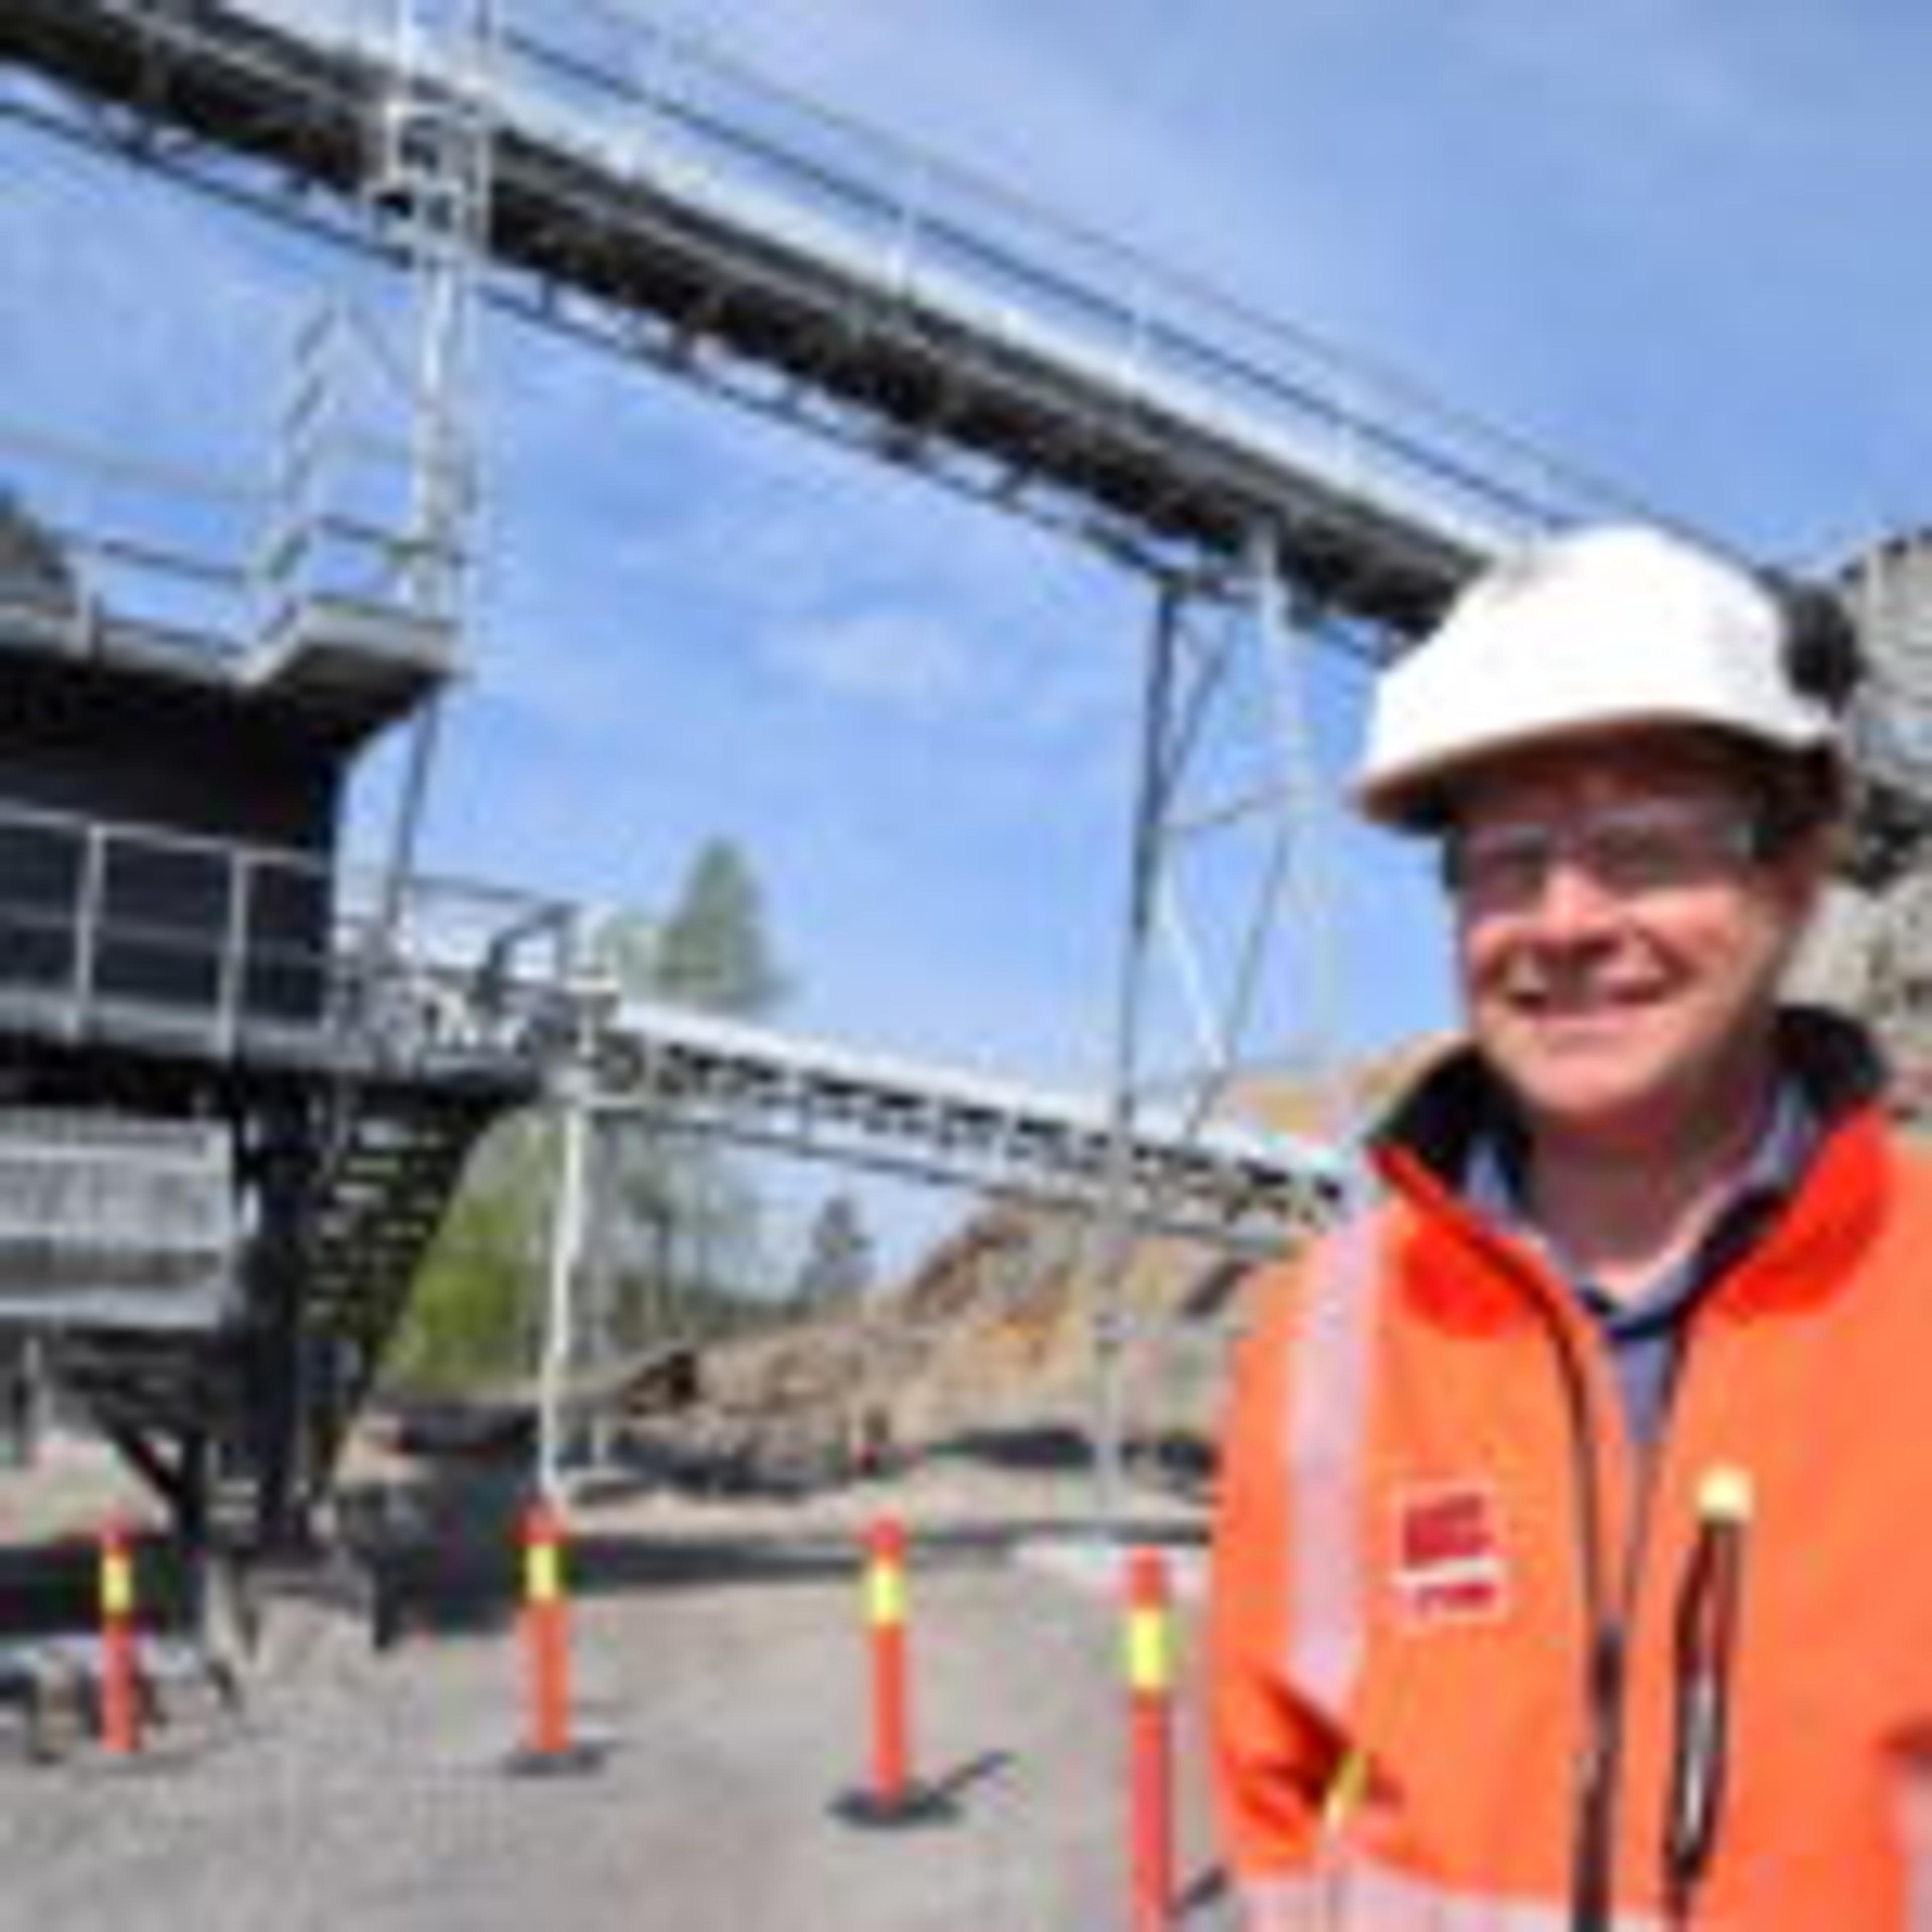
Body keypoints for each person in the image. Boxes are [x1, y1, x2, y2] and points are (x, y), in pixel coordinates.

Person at [1206, 523, 1932, 1929]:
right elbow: (1275, 1810)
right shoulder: (1327, 1329)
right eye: (1508, 857)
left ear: (1795, 875)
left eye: (1644, 848)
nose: (1566, 920)